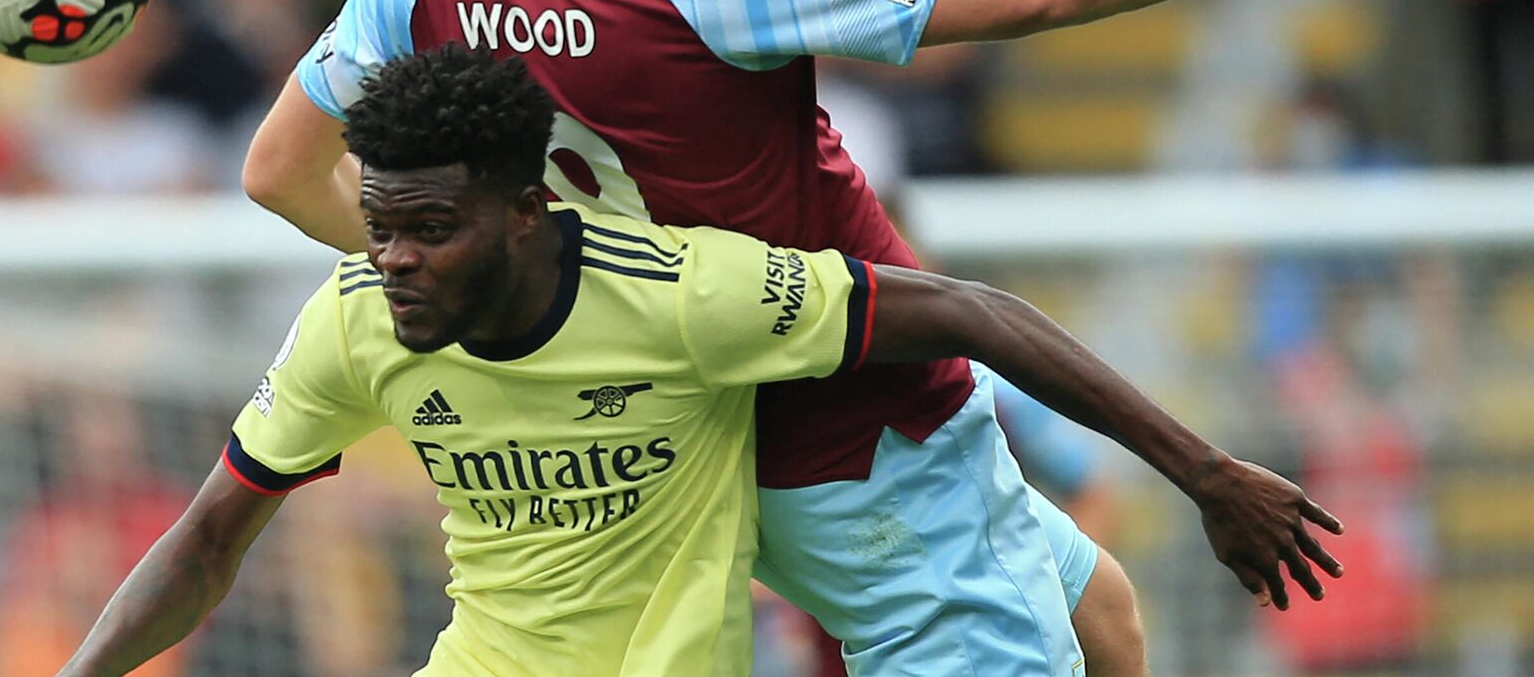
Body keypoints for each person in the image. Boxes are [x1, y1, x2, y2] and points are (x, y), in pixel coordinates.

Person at [240, 0, 1481, 675]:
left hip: (688, 444)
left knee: (1104, 611)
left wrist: (547, 320)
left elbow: (283, 172)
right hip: (862, 442)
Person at [65, 46, 1340, 677]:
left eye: (427, 230)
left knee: (1102, 601)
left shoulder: (683, 297)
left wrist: (1207, 471)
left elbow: (963, 311)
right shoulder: (356, 322)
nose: (389, 258)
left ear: (527, 211)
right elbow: (210, 537)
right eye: (380, 223)